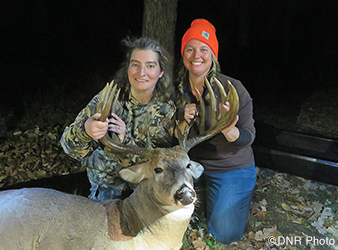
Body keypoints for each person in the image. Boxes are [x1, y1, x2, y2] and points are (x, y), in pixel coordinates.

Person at [60, 37, 176, 201]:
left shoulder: (167, 110)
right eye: (135, 65)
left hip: (145, 189)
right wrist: (86, 130)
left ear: (161, 72)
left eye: (150, 66)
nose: (141, 73)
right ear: (128, 68)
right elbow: (68, 146)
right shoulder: (108, 99)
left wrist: (124, 139)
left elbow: (162, 161)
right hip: (107, 186)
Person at [175, 19, 256, 244]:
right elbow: (171, 137)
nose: (196, 55)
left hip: (231, 167)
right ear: (184, 56)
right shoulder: (177, 92)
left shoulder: (234, 89)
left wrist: (230, 130)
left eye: (203, 49)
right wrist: (182, 123)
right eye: (189, 49)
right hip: (191, 167)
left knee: (225, 234)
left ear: (213, 55)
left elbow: (249, 136)